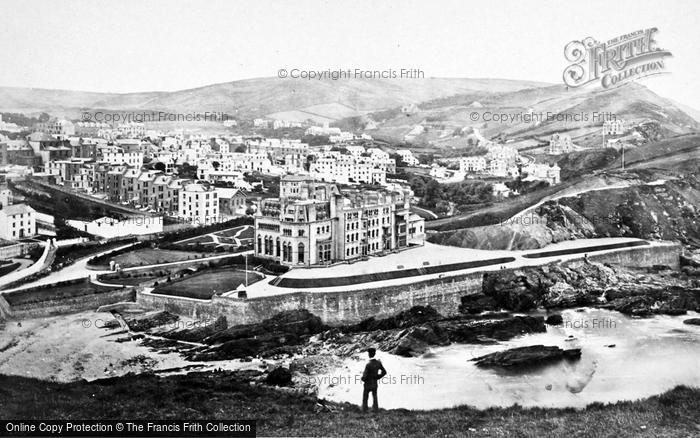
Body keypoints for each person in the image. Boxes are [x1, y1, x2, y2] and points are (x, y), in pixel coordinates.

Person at [361, 347, 387, 412]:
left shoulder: (368, 364)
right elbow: (384, 372)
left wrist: (363, 379)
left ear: (369, 354)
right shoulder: (378, 363)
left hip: (367, 383)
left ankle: (364, 410)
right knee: (375, 397)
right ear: (374, 354)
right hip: (374, 383)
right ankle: (375, 409)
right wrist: (378, 377)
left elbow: (364, 376)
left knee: (365, 397)